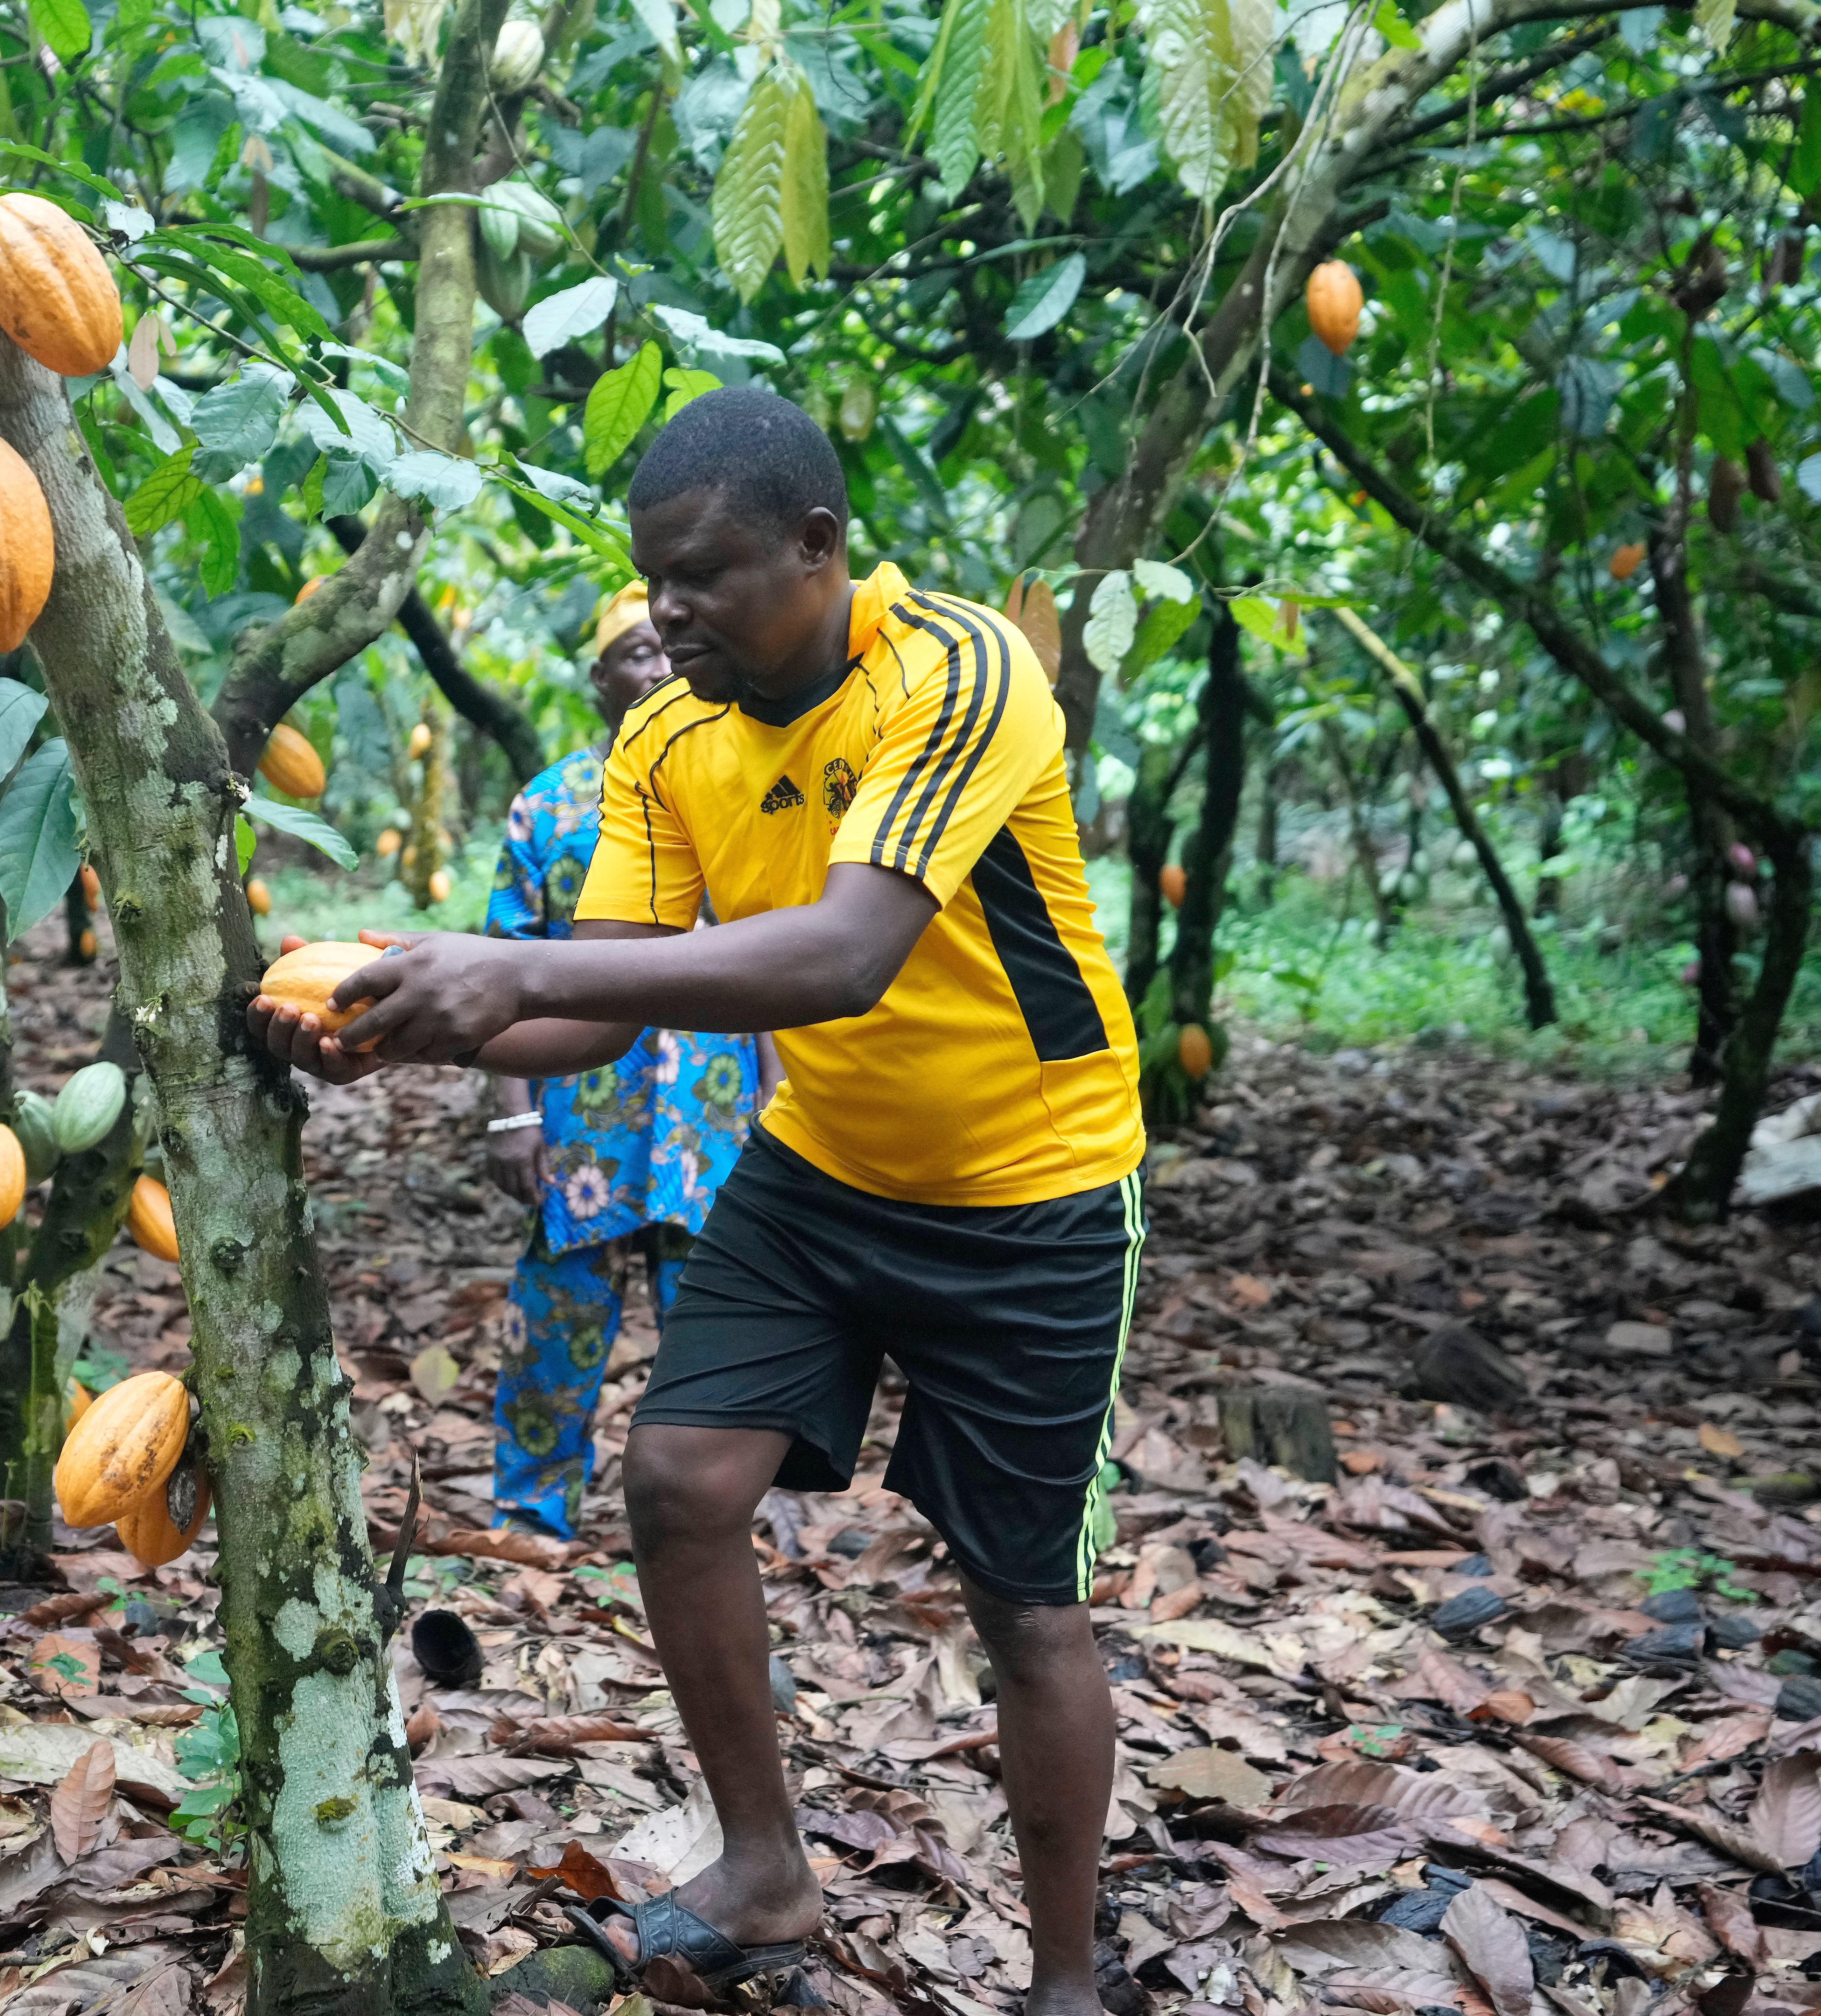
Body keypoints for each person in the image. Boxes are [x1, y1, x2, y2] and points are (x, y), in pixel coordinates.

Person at [252, 386, 1144, 2014]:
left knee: (1023, 1606)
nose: (669, 611)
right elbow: (604, 1007)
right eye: (654, 577)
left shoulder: (956, 673)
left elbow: (848, 952)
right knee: (674, 1477)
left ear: (820, 549)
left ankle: (1070, 1979)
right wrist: (397, 1025)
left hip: (1038, 1191)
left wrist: (514, 963)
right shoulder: (668, 737)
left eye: (708, 574)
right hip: (819, 1174)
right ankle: (765, 1872)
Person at [481, 583, 764, 1539]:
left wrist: (778, 1096)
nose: (655, 668)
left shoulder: (732, 784)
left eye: (664, 651)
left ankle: (724, 1512)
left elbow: (769, 957)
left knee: (718, 1325)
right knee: (558, 1322)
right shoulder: (549, 805)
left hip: (708, 1114)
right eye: (632, 655)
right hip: (583, 1110)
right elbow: (502, 963)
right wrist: (513, 1114)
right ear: (601, 680)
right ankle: (532, 1508)